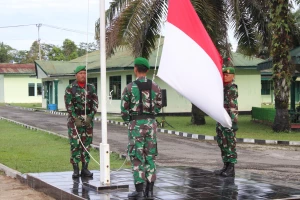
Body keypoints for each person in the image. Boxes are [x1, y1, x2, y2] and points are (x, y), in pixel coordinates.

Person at [121, 57, 162, 200]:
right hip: (151, 124)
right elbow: (158, 106)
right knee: (150, 156)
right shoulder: (156, 86)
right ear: (147, 70)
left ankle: (139, 191)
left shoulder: (129, 87)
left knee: (137, 156)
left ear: (135, 69)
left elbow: (124, 110)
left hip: (136, 125)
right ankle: (149, 191)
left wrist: (129, 122)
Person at [64, 65, 98, 178]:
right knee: (75, 145)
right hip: (75, 122)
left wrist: (90, 116)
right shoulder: (70, 88)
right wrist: (76, 118)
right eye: (80, 73)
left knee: (86, 144)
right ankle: (75, 169)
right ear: (76, 75)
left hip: (87, 120)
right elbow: (69, 105)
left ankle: (85, 168)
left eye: (84, 73)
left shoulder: (91, 87)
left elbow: (95, 103)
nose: (83, 75)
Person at [214, 66, 238, 177]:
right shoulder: (222, 88)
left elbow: (233, 107)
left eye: (227, 75)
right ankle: (226, 165)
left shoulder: (231, 89)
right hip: (221, 119)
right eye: (224, 74)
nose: (225, 76)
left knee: (230, 143)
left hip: (228, 120)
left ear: (233, 76)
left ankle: (231, 168)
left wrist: (234, 122)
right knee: (222, 142)